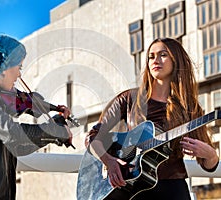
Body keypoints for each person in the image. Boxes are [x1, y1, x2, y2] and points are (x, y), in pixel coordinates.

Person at [85, 38, 219, 200]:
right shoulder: (129, 99)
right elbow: (93, 138)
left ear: (176, 60)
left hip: (172, 188)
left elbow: (208, 165)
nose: (155, 60)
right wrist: (109, 161)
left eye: (163, 55)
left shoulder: (189, 107)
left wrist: (211, 155)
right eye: (151, 56)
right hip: (132, 187)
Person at [0, 33, 73, 200]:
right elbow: (12, 133)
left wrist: (54, 130)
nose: (19, 75)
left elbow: (18, 146)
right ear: (4, 66)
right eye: (19, 67)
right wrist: (53, 131)